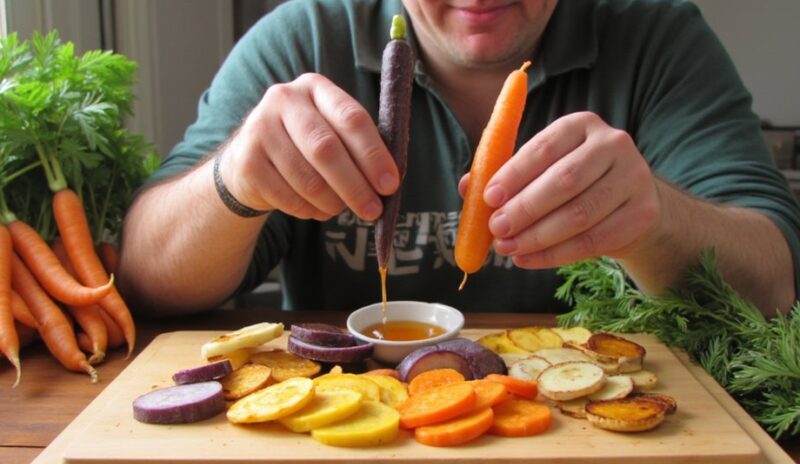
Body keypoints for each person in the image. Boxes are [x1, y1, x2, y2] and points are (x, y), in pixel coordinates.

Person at [117, 0, 800, 318]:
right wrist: (234, 182)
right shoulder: (302, 39)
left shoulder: (657, 38)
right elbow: (144, 276)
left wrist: (657, 223)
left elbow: (777, 281)